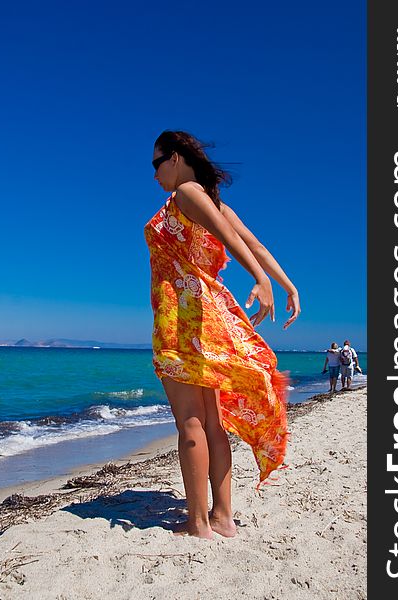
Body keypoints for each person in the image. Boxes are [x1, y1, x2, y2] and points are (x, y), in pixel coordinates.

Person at [144, 130, 301, 539]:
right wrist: (287, 284)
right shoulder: (211, 200)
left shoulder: (185, 194)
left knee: (191, 423)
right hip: (207, 322)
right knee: (211, 422)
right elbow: (255, 244)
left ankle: (197, 523)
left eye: (156, 162)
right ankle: (223, 518)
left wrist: (263, 280)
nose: (155, 173)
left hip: (181, 319)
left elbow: (235, 243)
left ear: (175, 158)